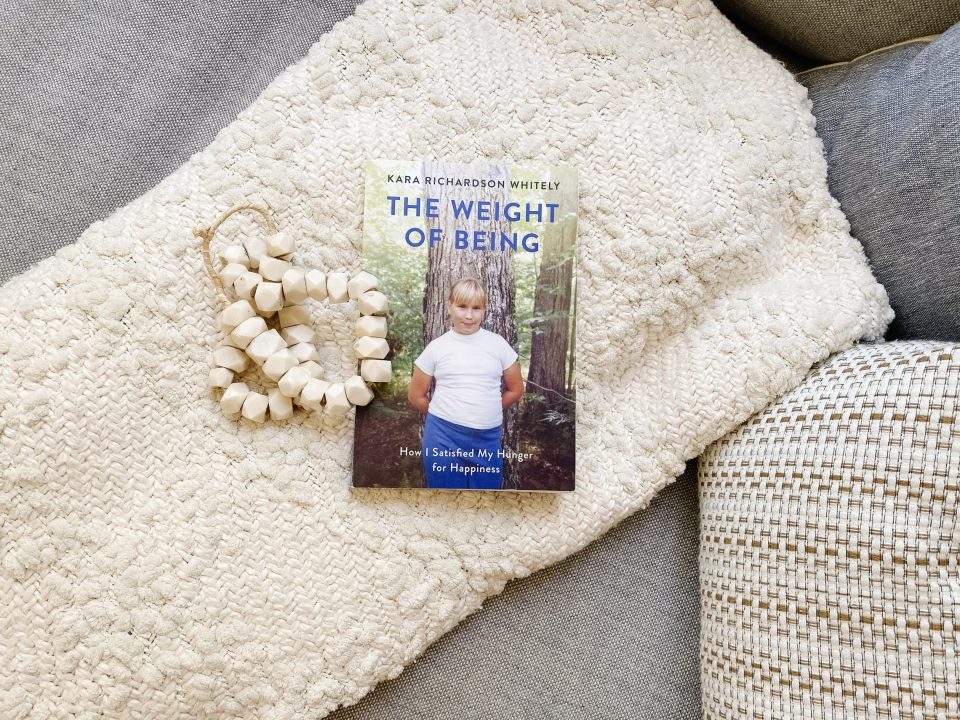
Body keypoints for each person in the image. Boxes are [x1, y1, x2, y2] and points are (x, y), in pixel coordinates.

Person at [408, 278, 524, 490]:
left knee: (485, 501)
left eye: (476, 308)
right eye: (462, 307)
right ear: (449, 306)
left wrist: (489, 409)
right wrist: (443, 415)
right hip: (443, 438)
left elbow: (516, 389)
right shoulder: (437, 348)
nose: (469, 315)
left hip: (487, 440)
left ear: (484, 310)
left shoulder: (498, 345)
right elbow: (416, 396)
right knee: (447, 502)